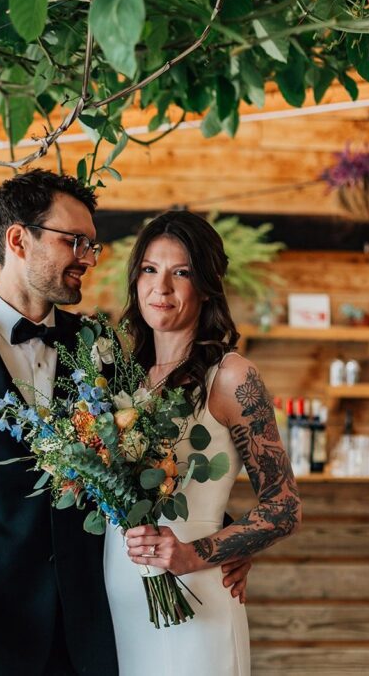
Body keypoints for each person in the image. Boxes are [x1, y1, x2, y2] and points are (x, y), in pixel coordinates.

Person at [0, 171, 250, 676]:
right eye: (75, 242)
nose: (88, 258)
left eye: (92, 244)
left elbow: (148, 458)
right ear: (19, 240)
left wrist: (224, 540)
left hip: (95, 626)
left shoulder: (99, 346)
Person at [105, 211, 302, 675]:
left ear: (208, 284)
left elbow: (284, 505)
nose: (162, 289)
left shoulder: (232, 377)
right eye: (150, 270)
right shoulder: (122, 377)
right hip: (120, 600)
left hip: (196, 601)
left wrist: (201, 552)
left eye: (182, 273)